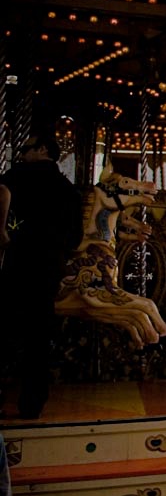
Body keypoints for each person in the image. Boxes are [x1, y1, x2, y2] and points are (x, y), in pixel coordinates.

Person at [0, 129, 83, 419]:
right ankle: (33, 402)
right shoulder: (68, 188)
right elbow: (76, 238)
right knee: (38, 335)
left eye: (26, 148)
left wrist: (3, 231)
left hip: (20, 258)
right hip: (50, 265)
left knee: (7, 327)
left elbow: (2, 192)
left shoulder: (21, 175)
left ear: (43, 149)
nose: (21, 154)